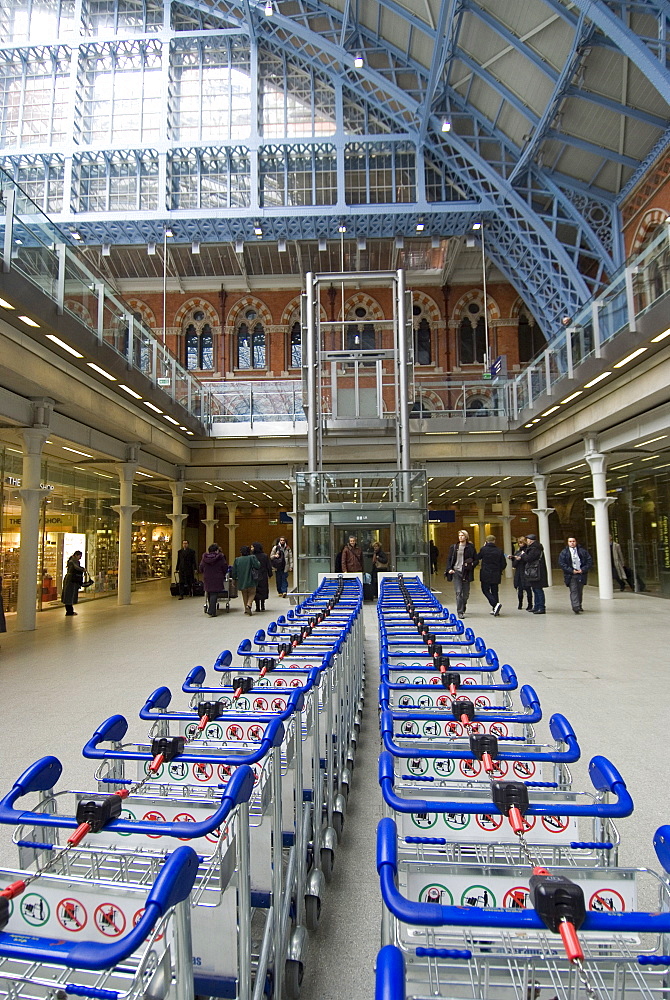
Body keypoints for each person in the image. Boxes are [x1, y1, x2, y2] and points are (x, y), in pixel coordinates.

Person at [444, 529, 476, 618]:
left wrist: (472, 564)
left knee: (465, 594)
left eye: (462, 535)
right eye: (459, 536)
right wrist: (449, 569)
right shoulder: (454, 547)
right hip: (456, 571)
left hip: (466, 572)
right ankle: (460, 611)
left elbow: (476, 559)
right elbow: (449, 559)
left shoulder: (470, 547)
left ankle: (463, 605)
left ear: (466, 537)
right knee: (459, 592)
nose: (460, 537)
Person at [558, 536, 593, 614]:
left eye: (573, 541)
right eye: (570, 541)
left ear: (576, 542)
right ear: (568, 543)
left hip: (581, 573)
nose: (572, 543)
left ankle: (579, 604)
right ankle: (575, 606)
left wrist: (583, 569)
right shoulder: (564, 552)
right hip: (571, 574)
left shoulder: (582, 551)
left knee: (579, 590)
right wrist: (571, 570)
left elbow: (589, 561)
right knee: (573, 590)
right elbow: (562, 563)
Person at [476, 534, 507, 616]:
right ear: (494, 541)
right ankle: (495, 609)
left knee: (485, 590)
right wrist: (499, 570)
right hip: (496, 573)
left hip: (486, 573)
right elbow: (503, 563)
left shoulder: (484, 549)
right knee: (495, 591)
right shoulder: (499, 550)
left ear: (486, 541)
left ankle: (495, 604)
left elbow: (478, 557)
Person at [517, 533, 548, 614]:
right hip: (536, 571)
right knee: (535, 589)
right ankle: (536, 606)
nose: (526, 541)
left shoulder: (534, 548)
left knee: (538, 589)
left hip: (536, 571)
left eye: (527, 539)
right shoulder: (535, 547)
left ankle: (541, 607)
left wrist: (523, 554)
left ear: (530, 540)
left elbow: (529, 558)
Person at [199, 543, 228, 617]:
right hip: (217, 577)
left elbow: (201, 567)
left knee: (209, 592)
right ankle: (212, 611)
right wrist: (223, 574)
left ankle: (212, 609)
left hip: (207, 577)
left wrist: (204, 572)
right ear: (216, 550)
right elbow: (224, 567)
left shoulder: (204, 558)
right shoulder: (220, 558)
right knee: (214, 593)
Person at [231, 544, 261, 615]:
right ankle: (249, 604)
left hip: (241, 579)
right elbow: (258, 565)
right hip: (251, 578)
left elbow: (234, 571)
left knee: (244, 594)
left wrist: (234, 580)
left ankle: (246, 609)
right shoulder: (252, 557)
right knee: (252, 592)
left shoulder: (237, 560)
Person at [510, 536, 533, 611]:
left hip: (526, 572)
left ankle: (530, 604)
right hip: (519, 572)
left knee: (528, 588)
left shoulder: (528, 551)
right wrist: (515, 559)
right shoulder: (517, 551)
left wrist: (521, 558)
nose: (520, 544)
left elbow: (528, 560)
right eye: (519, 543)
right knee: (520, 589)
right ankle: (520, 603)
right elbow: (514, 564)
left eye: (521, 543)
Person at [62, 550, 86, 616]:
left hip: (72, 579)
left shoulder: (72, 561)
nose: (80, 558)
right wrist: (82, 569)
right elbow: (77, 568)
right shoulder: (73, 561)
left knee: (69, 595)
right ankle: (69, 611)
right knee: (69, 595)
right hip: (71, 580)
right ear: (76, 555)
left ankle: (70, 610)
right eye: (79, 556)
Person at [251, 542, 273, 612]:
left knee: (256, 590)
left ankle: (257, 606)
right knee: (263, 589)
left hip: (255, 576)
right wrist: (270, 574)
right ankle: (263, 605)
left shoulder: (252, 556)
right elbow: (268, 565)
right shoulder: (265, 556)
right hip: (263, 575)